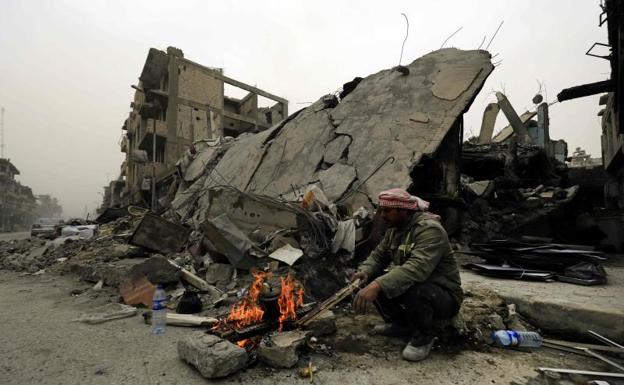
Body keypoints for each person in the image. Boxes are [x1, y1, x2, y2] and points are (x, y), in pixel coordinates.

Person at [352, 188, 462, 362]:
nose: (382, 216)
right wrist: (365, 271)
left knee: (412, 289)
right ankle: (400, 324)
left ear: (403, 210)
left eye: (387, 211)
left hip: (443, 295)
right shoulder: (395, 230)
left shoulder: (430, 230)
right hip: (416, 286)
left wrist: (378, 284)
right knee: (370, 279)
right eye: (381, 211)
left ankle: (424, 336)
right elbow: (379, 256)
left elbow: (416, 268)